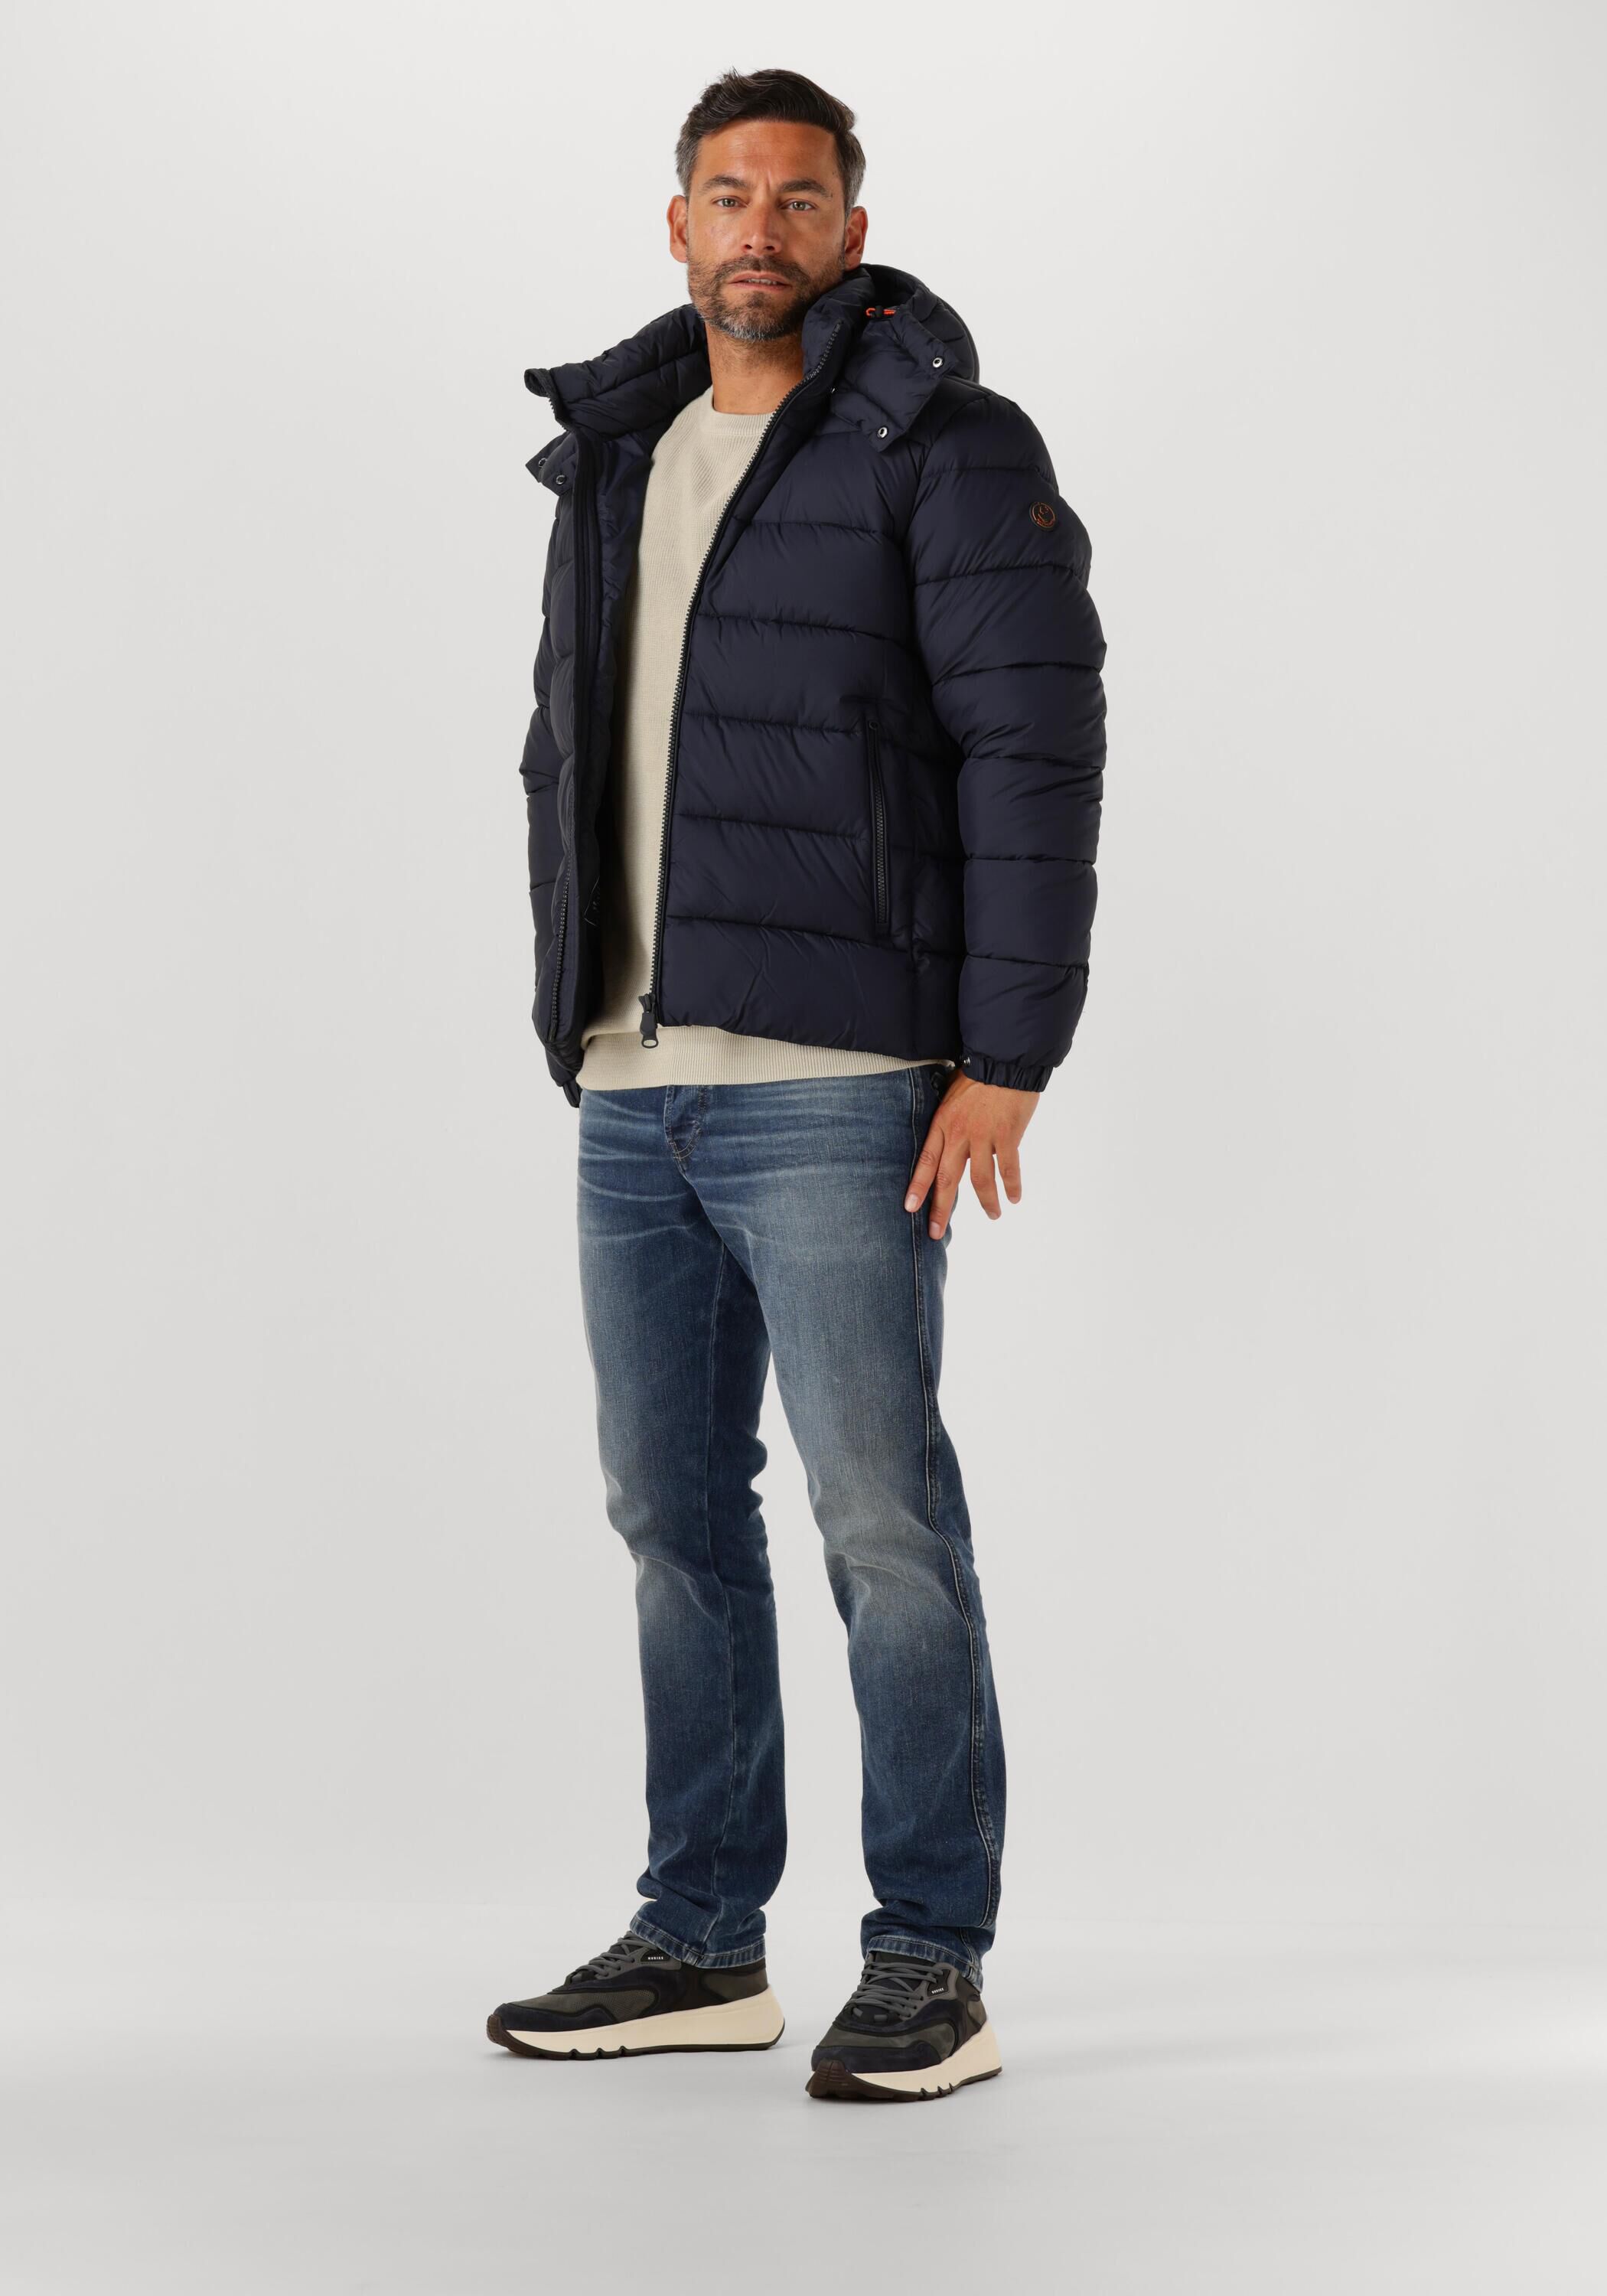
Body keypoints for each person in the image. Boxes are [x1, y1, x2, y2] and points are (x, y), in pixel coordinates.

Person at [487, 67, 1107, 2103]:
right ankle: (700, 1938)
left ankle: (931, 1956)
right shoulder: (617, 451)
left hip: (841, 1078)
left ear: (851, 227)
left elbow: (1032, 748)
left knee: (879, 1520)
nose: (762, 226)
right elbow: (573, 745)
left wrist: (1005, 1054)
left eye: (801, 196)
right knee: (669, 1512)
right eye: (728, 194)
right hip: (630, 1075)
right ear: (678, 225)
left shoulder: (939, 441)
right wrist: (575, 1011)